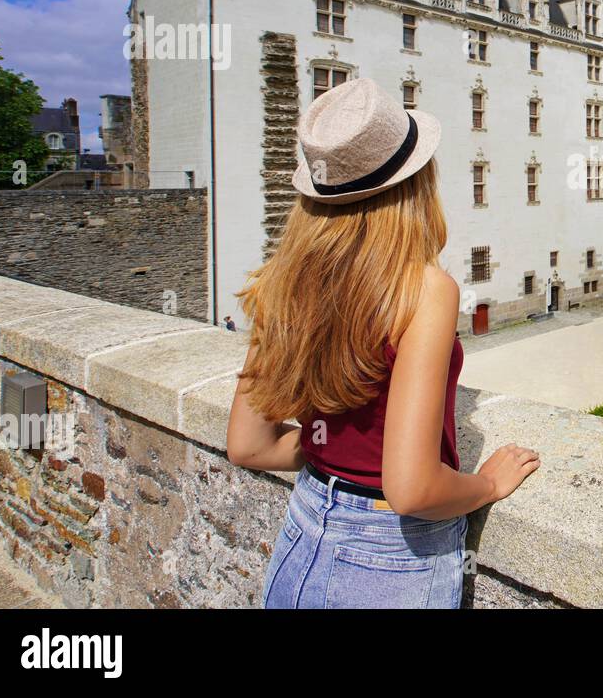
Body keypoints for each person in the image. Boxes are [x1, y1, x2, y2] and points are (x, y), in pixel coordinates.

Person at [226, 79, 539, 609]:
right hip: (390, 556)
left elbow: (248, 446)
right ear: (414, 185)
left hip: (302, 535)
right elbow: (412, 488)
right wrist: (485, 487)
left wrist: (332, 446)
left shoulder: (283, 278)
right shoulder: (423, 290)